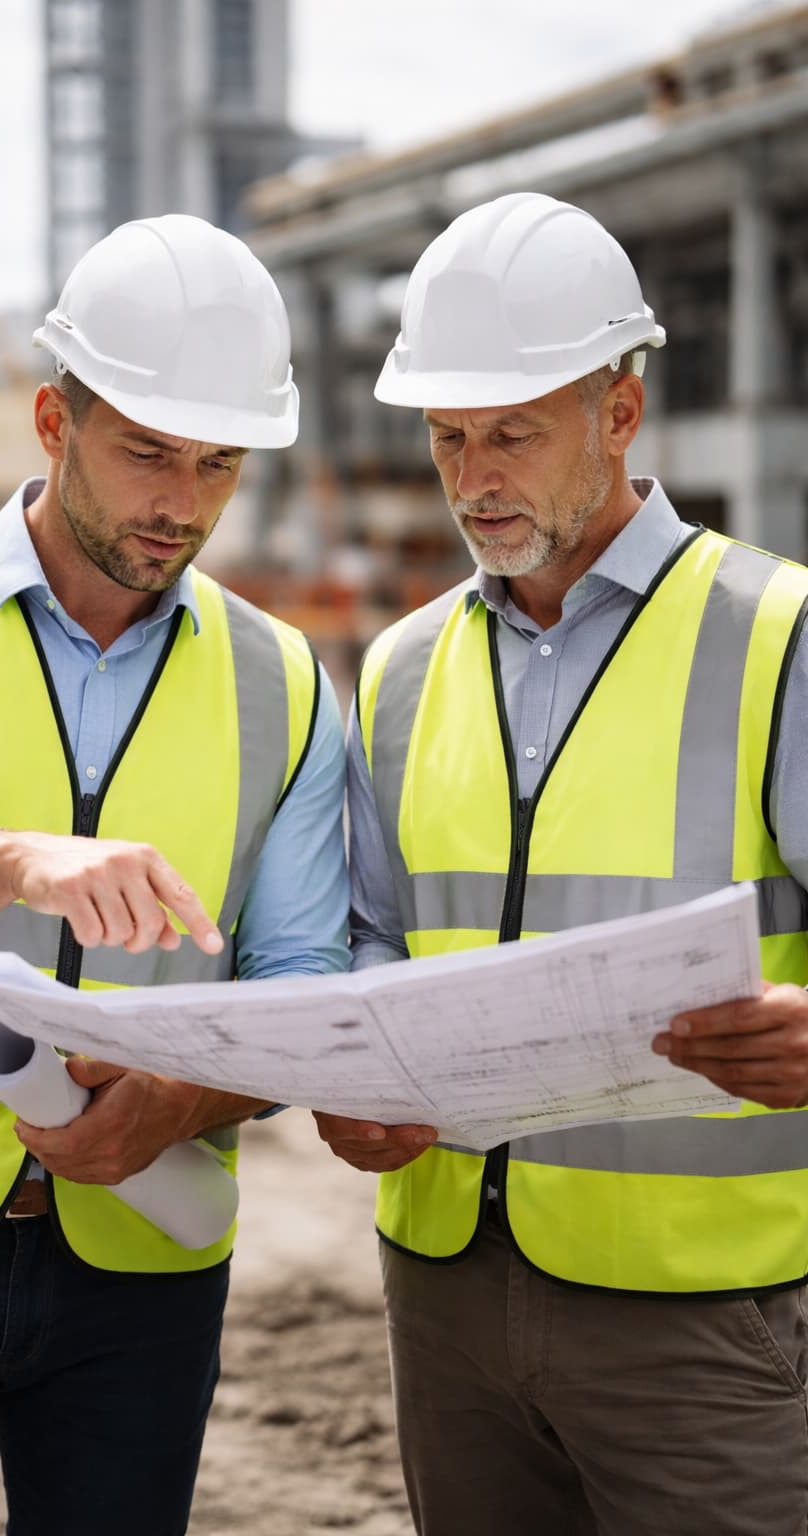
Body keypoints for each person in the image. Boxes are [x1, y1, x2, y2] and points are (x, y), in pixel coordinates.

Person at [0, 213, 349, 1535]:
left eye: (219, 464)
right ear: (53, 419)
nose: (182, 503)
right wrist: (12, 860)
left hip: (144, 1261)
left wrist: (176, 1098)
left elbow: (308, 979)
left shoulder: (284, 681)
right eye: (147, 451)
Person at [314, 191, 808, 1536]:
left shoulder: (776, 631)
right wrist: (347, 1076)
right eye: (448, 435)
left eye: (513, 435)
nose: (474, 476)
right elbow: (373, 930)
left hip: (698, 1315)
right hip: (447, 1293)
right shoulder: (404, 668)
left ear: (621, 413)